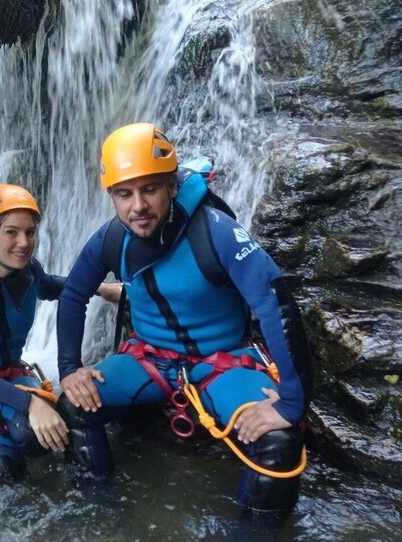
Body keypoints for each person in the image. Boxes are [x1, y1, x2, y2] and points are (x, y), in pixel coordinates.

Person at [56, 123, 314, 512]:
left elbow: (276, 305)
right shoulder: (110, 240)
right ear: (111, 197)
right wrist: (70, 368)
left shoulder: (216, 232)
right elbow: (74, 295)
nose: (137, 206)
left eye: (150, 189)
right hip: (149, 360)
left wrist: (292, 403)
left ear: (173, 185)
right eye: (124, 194)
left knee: (280, 444)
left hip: (221, 363)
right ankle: (101, 517)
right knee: (74, 404)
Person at [0, 183, 120, 480]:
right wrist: (31, 403)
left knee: (45, 438)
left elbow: (53, 286)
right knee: (6, 469)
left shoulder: (30, 271)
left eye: (30, 232)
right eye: (11, 232)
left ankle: (93, 504)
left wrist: (103, 288)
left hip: (11, 376)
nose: (24, 242)